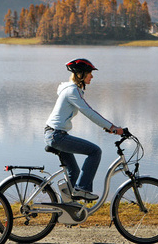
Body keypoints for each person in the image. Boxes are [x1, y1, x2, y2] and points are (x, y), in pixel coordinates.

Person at [44, 58, 123, 200]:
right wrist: (112, 127)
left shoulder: (71, 90)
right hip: (57, 136)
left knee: (74, 172)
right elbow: (89, 112)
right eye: (89, 73)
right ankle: (82, 189)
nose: (92, 76)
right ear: (80, 74)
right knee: (95, 151)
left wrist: (108, 128)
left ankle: (67, 209)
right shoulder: (72, 91)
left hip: (54, 134)